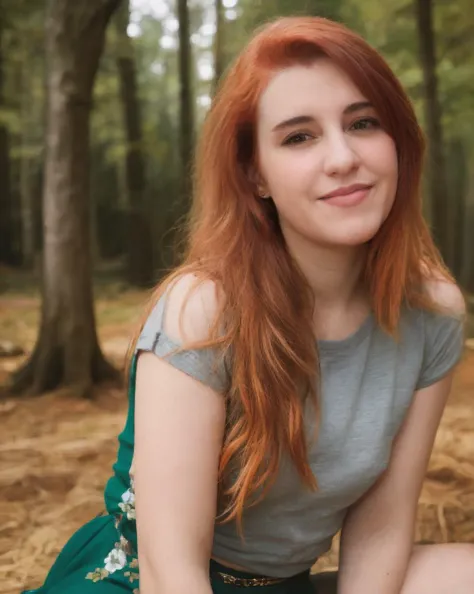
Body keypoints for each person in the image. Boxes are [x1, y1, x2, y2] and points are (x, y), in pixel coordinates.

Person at [24, 15, 473, 594]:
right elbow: (171, 572)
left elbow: (382, 525)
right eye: (299, 136)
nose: (342, 157)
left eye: (363, 123)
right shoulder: (203, 309)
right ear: (254, 173)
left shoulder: (432, 311)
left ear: (398, 142)